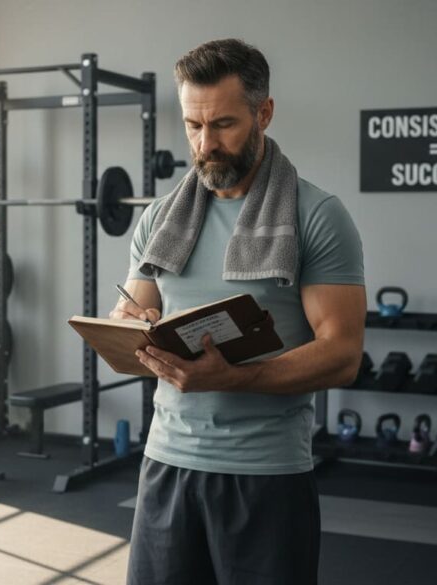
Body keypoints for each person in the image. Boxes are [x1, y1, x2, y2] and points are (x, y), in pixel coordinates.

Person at [115, 39, 366, 585]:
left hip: (266, 475)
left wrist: (237, 377)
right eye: (193, 126)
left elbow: (343, 355)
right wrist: (129, 330)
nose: (206, 144)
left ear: (264, 113)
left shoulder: (317, 216)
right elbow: (132, 310)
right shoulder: (161, 217)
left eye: (224, 124)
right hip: (166, 464)